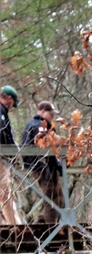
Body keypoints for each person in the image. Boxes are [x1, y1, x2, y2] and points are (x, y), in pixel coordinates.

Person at [21, 99, 63, 227]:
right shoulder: (38, 126)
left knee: (57, 197)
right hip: (40, 165)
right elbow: (45, 148)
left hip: (45, 165)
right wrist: (58, 165)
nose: (53, 116)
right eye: (51, 113)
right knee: (51, 196)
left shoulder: (40, 125)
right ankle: (49, 230)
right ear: (43, 111)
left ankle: (41, 224)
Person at [0, 84, 22, 225]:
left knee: (4, 192)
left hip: (3, 156)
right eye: (12, 103)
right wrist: (11, 153)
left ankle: (14, 225)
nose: (12, 106)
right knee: (5, 192)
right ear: (8, 98)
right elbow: (2, 132)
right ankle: (15, 227)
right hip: (1, 156)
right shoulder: (1, 111)